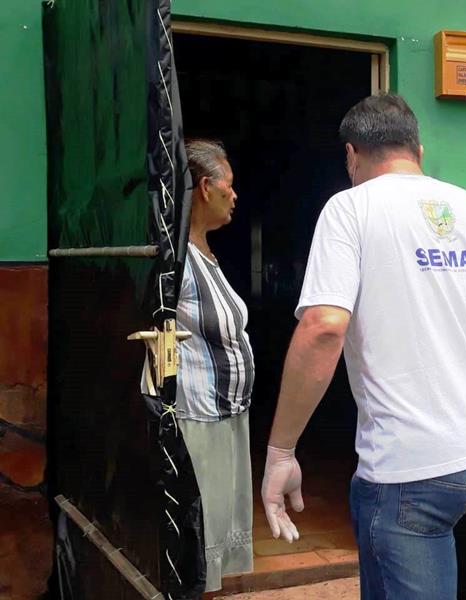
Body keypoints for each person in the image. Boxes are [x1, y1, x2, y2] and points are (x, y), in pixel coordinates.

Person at [260, 93, 466, 599]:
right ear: (418, 147)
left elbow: (325, 326)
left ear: (351, 154)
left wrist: (281, 449)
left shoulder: (349, 209)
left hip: (412, 473)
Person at [174, 140, 254, 591]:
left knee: (221, 510)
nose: (235, 194)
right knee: (202, 512)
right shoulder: (177, 258)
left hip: (227, 411)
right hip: (198, 411)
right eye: (230, 184)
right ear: (205, 187)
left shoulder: (205, 252)